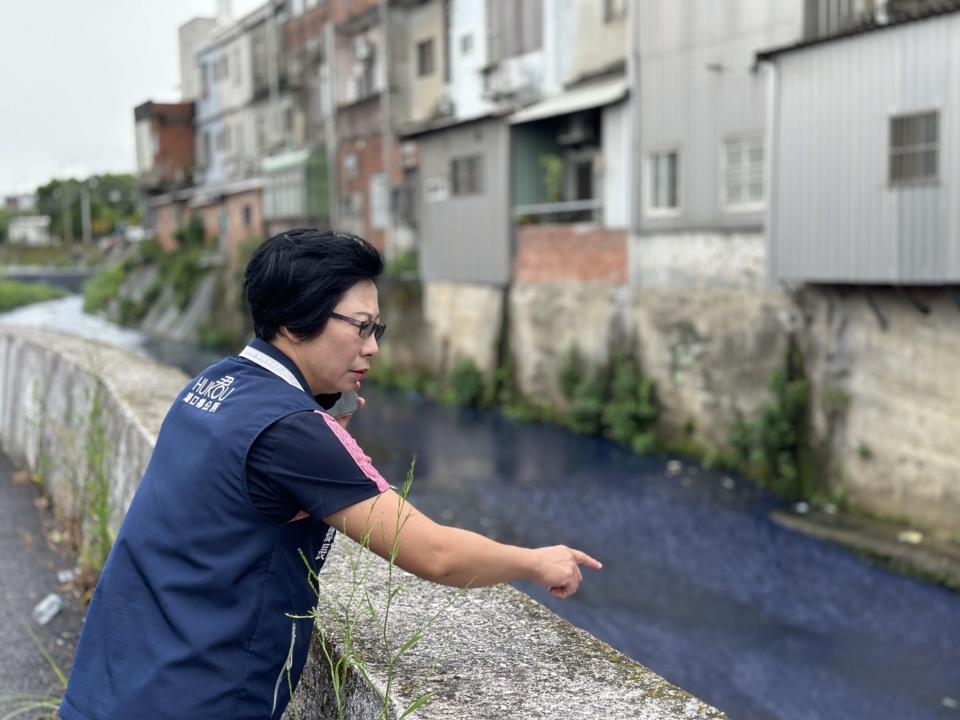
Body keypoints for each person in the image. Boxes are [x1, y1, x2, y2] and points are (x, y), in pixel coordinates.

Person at [60, 229, 601, 720]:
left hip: (114, 685)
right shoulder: (291, 430)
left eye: (377, 328)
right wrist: (535, 561)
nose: (374, 347)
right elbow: (435, 554)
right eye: (362, 327)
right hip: (196, 698)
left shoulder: (214, 383)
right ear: (296, 321)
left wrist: (325, 421)